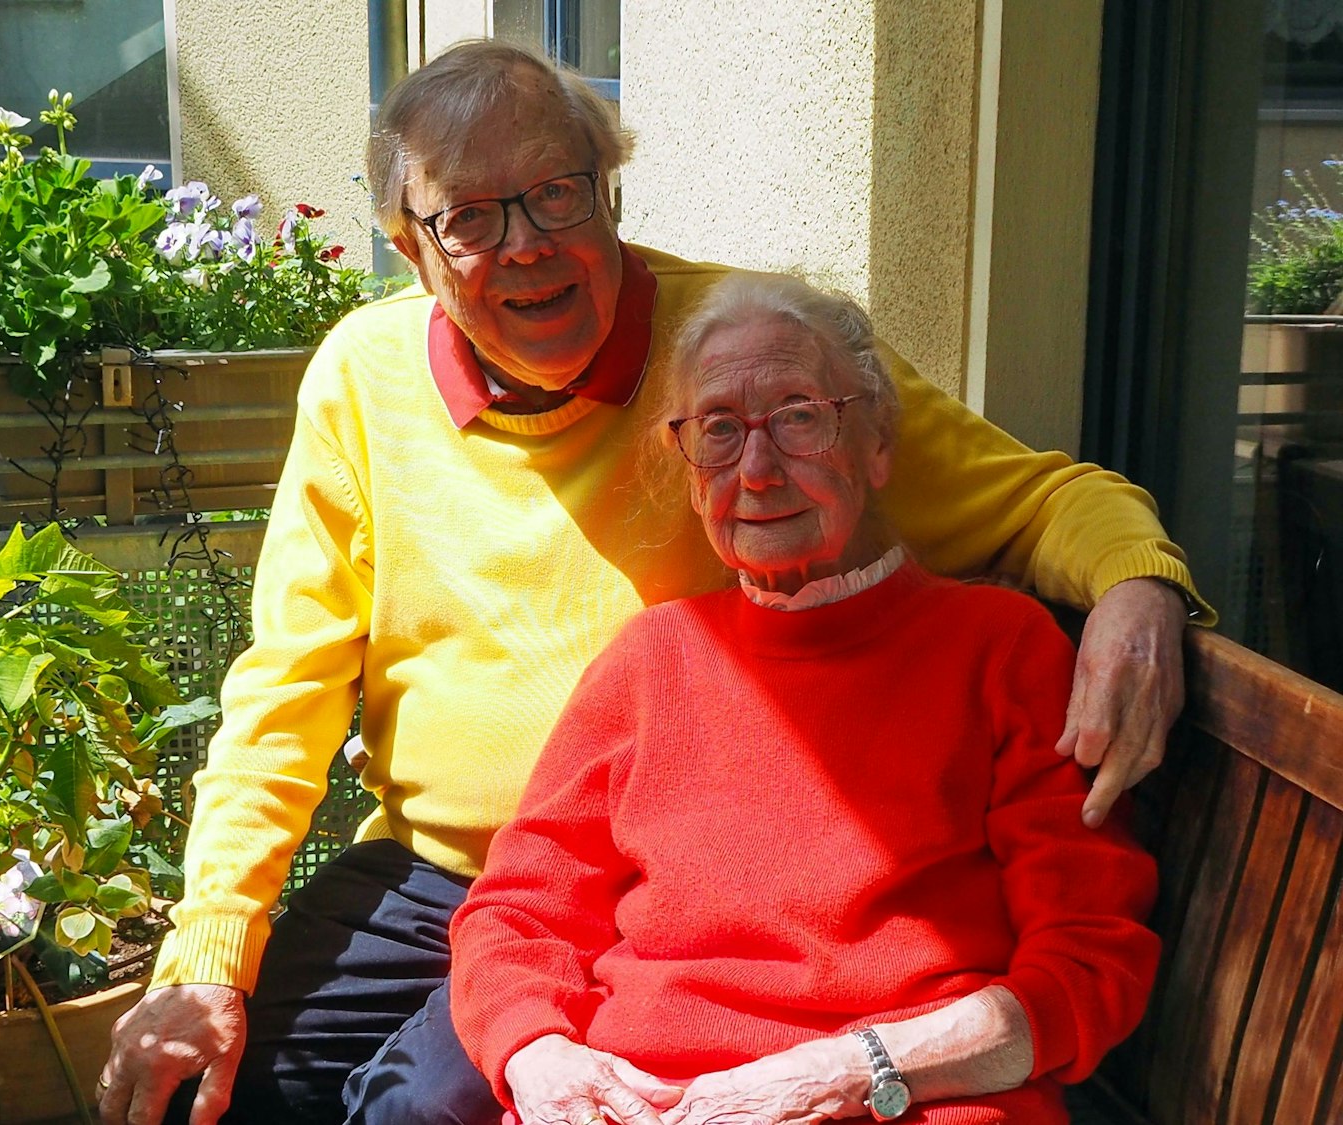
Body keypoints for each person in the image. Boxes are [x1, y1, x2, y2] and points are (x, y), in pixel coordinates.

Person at [98, 40, 1204, 1125]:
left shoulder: (748, 354)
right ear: (409, 246)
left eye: (554, 194)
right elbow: (281, 690)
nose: (523, 245)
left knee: (429, 1100)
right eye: (469, 217)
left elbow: (1045, 500)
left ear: (608, 193)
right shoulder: (361, 376)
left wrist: (1137, 586)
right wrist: (205, 956)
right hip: (440, 873)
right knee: (222, 1090)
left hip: (639, 895)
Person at [448, 271, 1160, 1125]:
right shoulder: (652, 657)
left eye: (797, 417)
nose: (756, 469)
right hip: (645, 1103)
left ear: (878, 443)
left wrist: (850, 1073)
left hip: (896, 1099)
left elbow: (1089, 960)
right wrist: (538, 1052)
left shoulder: (998, 647)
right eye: (718, 429)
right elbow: (518, 909)